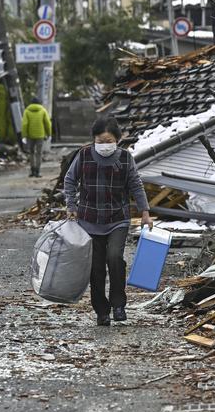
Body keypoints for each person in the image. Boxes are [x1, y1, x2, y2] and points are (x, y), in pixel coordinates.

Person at [63, 116, 152, 326]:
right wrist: (71, 206)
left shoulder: (125, 158)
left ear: (117, 140)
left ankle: (118, 305)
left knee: (114, 258)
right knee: (96, 267)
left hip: (117, 219)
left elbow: (136, 184)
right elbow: (70, 179)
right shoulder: (84, 155)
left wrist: (145, 211)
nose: (105, 145)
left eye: (109, 141)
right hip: (89, 220)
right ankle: (101, 311)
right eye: (100, 141)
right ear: (94, 140)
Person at [21, 96, 52, 178]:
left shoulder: (27, 111)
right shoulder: (43, 110)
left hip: (30, 136)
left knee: (31, 153)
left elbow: (24, 124)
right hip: (40, 136)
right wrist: (49, 134)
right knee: (39, 153)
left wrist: (24, 136)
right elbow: (47, 123)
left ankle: (32, 171)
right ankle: (38, 171)